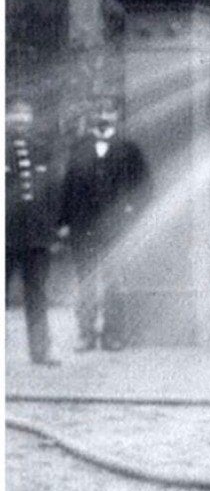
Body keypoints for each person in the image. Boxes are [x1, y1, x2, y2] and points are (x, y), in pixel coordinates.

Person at [58, 98, 150, 351]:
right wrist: (63, 222)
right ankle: (86, 334)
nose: (103, 117)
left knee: (114, 281)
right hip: (83, 227)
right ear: (92, 116)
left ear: (117, 115)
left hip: (116, 227)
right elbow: (68, 186)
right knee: (85, 282)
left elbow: (144, 185)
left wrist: (131, 212)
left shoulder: (128, 147)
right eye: (98, 112)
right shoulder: (79, 146)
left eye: (108, 112)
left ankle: (112, 335)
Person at [5, 95, 59, 365]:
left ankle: (41, 351)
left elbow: (52, 192)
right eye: (14, 112)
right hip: (6, 235)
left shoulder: (41, 150)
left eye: (25, 113)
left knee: (37, 294)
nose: (20, 118)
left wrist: (53, 228)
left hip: (36, 236)